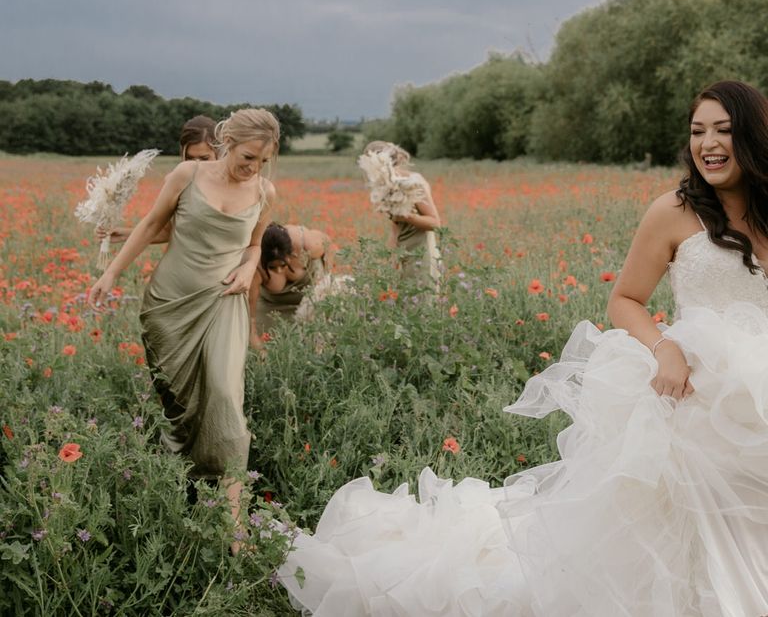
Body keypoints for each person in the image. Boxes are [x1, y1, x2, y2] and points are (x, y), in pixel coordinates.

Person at [278, 81, 768, 616]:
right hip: (692, 396)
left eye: (723, 129)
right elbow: (625, 299)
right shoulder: (674, 212)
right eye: (698, 131)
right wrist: (663, 345)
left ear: (752, 134)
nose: (708, 143)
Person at [88, 108, 279, 554]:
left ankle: (236, 526)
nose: (253, 166)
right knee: (180, 405)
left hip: (222, 304)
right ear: (227, 140)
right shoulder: (187, 175)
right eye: (249, 155)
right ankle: (188, 485)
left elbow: (255, 244)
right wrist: (111, 274)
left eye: (263, 160)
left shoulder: (264, 191)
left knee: (225, 394)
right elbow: (153, 225)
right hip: (169, 306)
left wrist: (250, 267)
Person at [98, 115, 219, 245]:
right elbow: (167, 231)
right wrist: (124, 235)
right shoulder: (176, 183)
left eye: (204, 158)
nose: (196, 165)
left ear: (218, 152)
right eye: (189, 158)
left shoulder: (234, 183)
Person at [364, 141, 441, 288]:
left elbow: (435, 223)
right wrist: (390, 258)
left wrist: (409, 216)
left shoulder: (414, 183)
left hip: (422, 254)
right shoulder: (388, 186)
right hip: (403, 252)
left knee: (421, 304)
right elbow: (396, 226)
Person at [249, 222, 334, 346]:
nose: (279, 271)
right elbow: (250, 319)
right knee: (271, 344)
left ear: (292, 254)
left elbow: (328, 244)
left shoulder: (307, 244)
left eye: (283, 265)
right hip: (274, 307)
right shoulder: (255, 266)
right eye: (272, 268)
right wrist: (259, 348)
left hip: (312, 302)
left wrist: (326, 279)